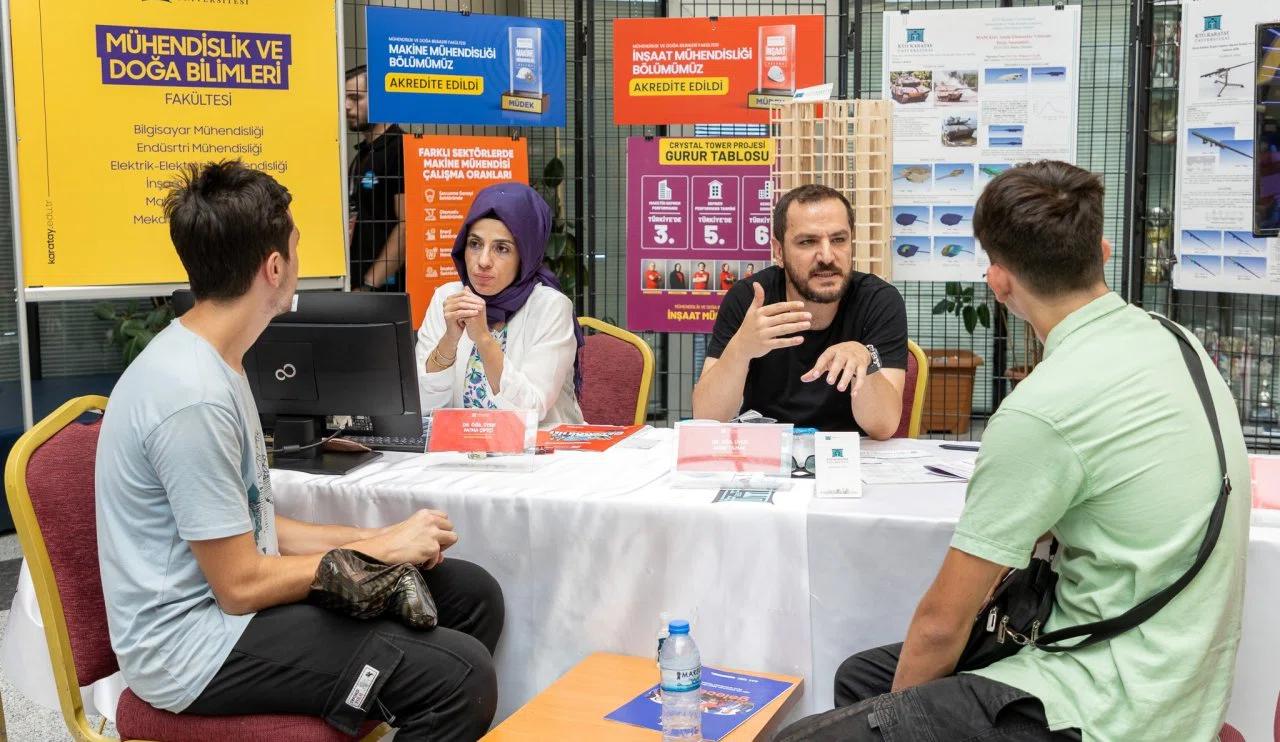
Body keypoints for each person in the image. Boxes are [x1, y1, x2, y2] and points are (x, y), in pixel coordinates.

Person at [777, 161, 1250, 742]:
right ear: (1102, 252)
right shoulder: (1178, 341)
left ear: (998, 284)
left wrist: (896, 727)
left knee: (803, 737)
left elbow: (939, 627)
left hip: (1110, 698)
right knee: (862, 678)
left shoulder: (1042, 408)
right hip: (1181, 668)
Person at [96, 161, 503, 742]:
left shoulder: (221, 360)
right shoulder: (191, 396)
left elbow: (257, 527)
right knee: (460, 679)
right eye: (297, 245)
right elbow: (239, 585)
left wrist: (371, 542)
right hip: (194, 649)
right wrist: (380, 550)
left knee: (469, 595)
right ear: (275, 267)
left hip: (232, 614)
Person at [692, 184, 907, 438]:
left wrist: (865, 361)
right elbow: (707, 418)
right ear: (779, 252)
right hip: (766, 453)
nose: (827, 256)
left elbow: (883, 427)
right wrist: (741, 349)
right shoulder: (750, 300)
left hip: (848, 457)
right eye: (808, 241)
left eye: (838, 240)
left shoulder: (878, 300)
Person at [417, 182, 585, 425]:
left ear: (525, 255)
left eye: (502, 248)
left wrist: (484, 339)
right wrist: (449, 341)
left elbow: (530, 411)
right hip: (458, 455)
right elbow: (422, 407)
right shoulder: (448, 298)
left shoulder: (550, 307)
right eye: (475, 244)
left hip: (540, 453)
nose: (483, 261)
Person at [346, 65, 405, 292]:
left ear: (380, 99)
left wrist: (370, 285)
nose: (346, 106)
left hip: (385, 291)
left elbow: (407, 225)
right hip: (359, 284)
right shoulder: (363, 153)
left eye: (355, 98)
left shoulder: (399, 148)